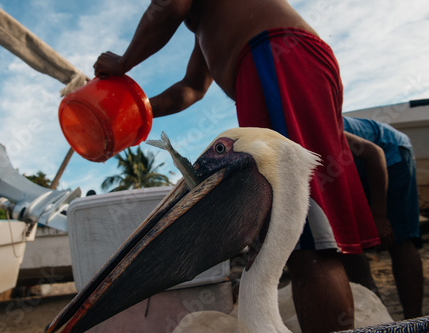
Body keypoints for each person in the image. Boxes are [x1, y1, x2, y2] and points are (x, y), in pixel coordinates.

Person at [93, 1, 380, 331]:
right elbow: (191, 88)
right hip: (278, 61)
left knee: (306, 232)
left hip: (276, 53)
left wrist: (123, 62)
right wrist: (132, 114)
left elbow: (168, 6)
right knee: (321, 220)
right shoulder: (205, 24)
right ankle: (365, 308)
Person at [343, 116, 423, 319]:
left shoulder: (316, 126)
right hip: (351, 172)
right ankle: (379, 317)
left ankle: (414, 321)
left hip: (389, 152)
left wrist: (379, 216)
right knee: (348, 244)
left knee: (399, 239)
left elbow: (373, 153)